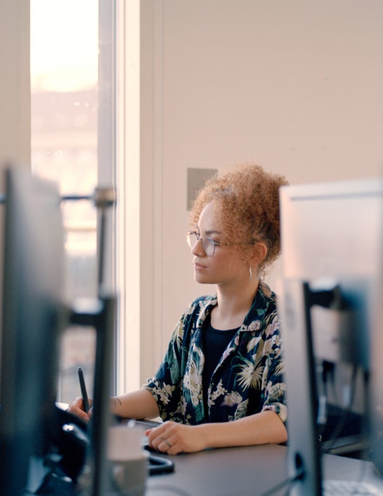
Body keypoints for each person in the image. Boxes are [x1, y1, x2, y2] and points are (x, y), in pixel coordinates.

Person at [68, 163, 288, 454]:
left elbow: (280, 420)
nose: (196, 250)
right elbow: (160, 392)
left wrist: (202, 436)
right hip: (190, 476)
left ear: (255, 252)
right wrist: (106, 404)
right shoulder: (195, 316)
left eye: (213, 241)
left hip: (247, 484)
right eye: (196, 235)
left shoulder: (281, 325)